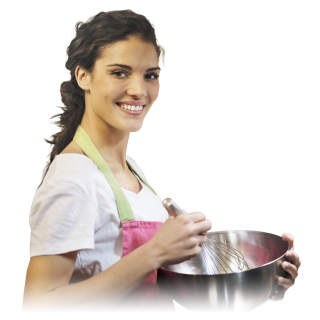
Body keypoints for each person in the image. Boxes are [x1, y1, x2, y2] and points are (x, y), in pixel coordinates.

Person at [23, 10, 300, 313]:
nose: (139, 90)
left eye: (150, 75)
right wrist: (154, 252)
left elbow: (151, 282)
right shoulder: (73, 178)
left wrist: (260, 280)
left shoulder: (131, 170)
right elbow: (39, 306)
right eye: (119, 72)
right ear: (83, 76)